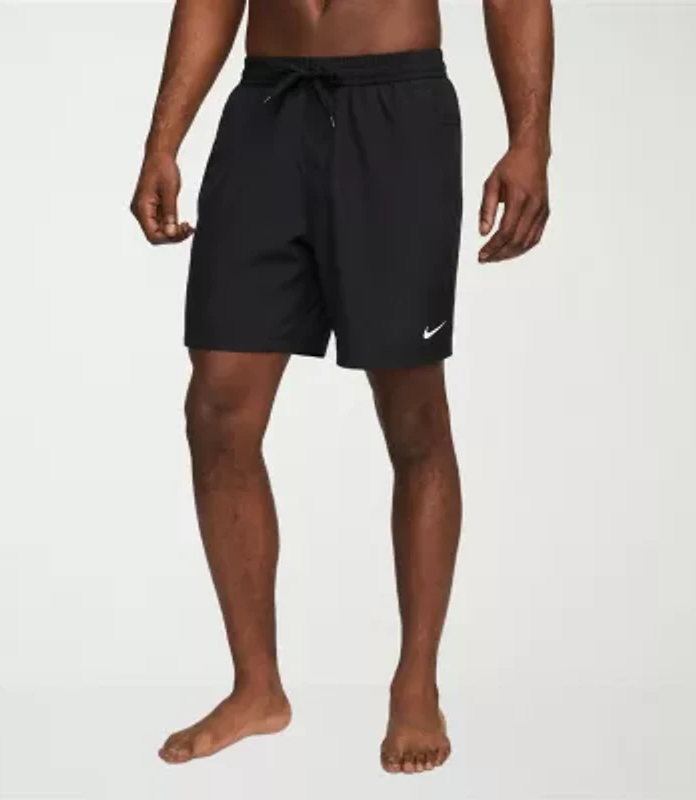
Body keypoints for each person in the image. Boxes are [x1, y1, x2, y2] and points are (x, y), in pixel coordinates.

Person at [130, 0, 553, 775]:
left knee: (413, 414)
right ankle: (256, 687)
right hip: (267, 107)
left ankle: (416, 683)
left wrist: (530, 140)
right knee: (216, 408)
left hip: (397, 111)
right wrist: (164, 139)